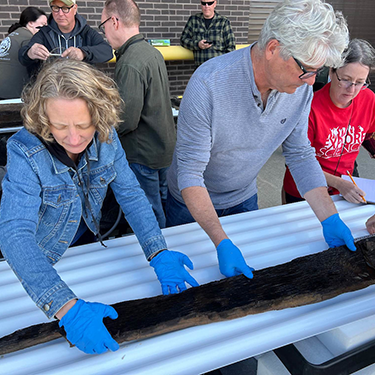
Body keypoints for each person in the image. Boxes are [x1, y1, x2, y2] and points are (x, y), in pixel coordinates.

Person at [0, 58, 198, 355]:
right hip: (41, 258)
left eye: (83, 125)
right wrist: (66, 307)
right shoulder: (23, 150)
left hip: (87, 242)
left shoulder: (107, 136)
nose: (74, 138)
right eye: (59, 126)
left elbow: (130, 194)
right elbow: (15, 234)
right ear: (43, 119)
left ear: (99, 114)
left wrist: (158, 251)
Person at [166, 0, 356, 281]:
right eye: (307, 69)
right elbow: (190, 173)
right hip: (190, 206)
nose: (310, 81)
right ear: (273, 49)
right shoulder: (208, 84)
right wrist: (221, 241)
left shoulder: (299, 91)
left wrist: (329, 217)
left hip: (243, 198)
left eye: (320, 71)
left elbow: (301, 154)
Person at [100, 0, 176, 229]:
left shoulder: (131, 61)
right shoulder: (151, 51)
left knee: (148, 216)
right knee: (162, 207)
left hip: (143, 156)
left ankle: (159, 256)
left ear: (114, 21)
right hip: (162, 149)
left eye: (103, 25)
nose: (103, 32)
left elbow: (125, 120)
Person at [283, 39, 375, 204]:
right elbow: (298, 162)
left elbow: (369, 134)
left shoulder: (369, 99)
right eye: (345, 79)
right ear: (332, 72)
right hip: (306, 188)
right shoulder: (309, 106)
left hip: (347, 186)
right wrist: (340, 183)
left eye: (360, 82)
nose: (352, 90)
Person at [18, 0, 113, 77]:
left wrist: (83, 52)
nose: (60, 13)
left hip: (81, 88)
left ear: (75, 9)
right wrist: (30, 52)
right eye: (56, 8)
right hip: (52, 89)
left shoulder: (87, 32)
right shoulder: (44, 33)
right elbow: (22, 57)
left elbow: (107, 52)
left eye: (65, 8)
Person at [0, 7, 47, 99]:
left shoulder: (11, 36)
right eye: (43, 24)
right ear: (30, 23)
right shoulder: (29, 40)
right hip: (14, 95)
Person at [180, 0, 235, 67]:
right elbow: (183, 40)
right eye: (204, 3)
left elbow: (231, 47)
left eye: (209, 3)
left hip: (218, 69)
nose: (206, 6)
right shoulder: (194, 20)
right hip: (200, 68)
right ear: (200, 4)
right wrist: (197, 44)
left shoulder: (223, 22)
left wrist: (224, 66)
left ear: (215, 3)